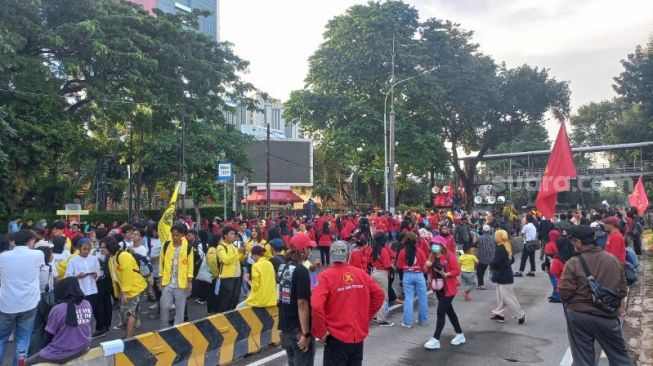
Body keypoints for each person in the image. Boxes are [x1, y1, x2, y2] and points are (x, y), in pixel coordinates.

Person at [558, 225, 631, 366]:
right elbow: (622, 290)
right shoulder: (614, 260)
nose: (572, 245)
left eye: (573, 241)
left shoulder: (573, 263)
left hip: (579, 316)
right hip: (608, 317)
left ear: (578, 242)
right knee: (619, 356)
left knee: (583, 359)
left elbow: (564, 292)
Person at [311, 241, 384, 366]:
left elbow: (316, 305)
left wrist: (321, 331)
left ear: (331, 255)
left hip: (336, 337)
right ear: (349, 255)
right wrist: (365, 317)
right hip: (357, 336)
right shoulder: (361, 274)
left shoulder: (325, 276)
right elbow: (379, 295)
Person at [0, 229, 44, 366]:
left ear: (13, 241)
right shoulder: (38, 254)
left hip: (6, 304)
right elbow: (41, 269)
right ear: (30, 241)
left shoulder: (3, 256)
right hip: (28, 304)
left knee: (1, 338)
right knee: (23, 340)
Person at [25, 277, 92, 366]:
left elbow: (48, 337)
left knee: (25, 363)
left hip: (61, 353)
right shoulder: (87, 303)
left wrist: (43, 352)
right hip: (84, 347)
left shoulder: (57, 309)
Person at [277, 233, 315, 366]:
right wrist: (305, 333)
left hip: (285, 327)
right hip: (298, 329)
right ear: (302, 250)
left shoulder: (284, 267)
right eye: (308, 248)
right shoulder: (301, 270)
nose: (310, 251)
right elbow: (302, 304)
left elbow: (281, 298)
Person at [102, 236, 146, 338]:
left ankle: (129, 337)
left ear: (110, 247)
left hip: (135, 288)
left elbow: (127, 274)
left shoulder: (123, 256)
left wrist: (124, 292)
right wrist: (119, 292)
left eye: (104, 247)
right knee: (126, 313)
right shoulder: (111, 258)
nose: (102, 249)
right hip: (126, 289)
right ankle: (130, 333)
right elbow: (115, 278)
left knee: (131, 313)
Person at [423, 242, 465, 350]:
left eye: (437, 244)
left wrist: (446, 274)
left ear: (442, 245)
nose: (434, 246)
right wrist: (427, 265)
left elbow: (457, 270)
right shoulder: (432, 256)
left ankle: (436, 339)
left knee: (440, 312)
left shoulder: (449, 256)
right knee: (450, 312)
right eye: (432, 244)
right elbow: (425, 270)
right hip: (438, 289)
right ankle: (460, 334)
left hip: (449, 289)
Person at [159, 224, 194, 327]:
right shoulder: (166, 246)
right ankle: (163, 328)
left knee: (180, 309)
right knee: (164, 306)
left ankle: (178, 329)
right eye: (173, 235)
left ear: (183, 235)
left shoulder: (188, 248)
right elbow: (161, 263)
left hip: (181, 283)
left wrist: (190, 282)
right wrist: (160, 279)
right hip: (168, 282)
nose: (175, 237)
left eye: (177, 235)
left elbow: (190, 266)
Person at [64, 239, 101, 334]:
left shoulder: (94, 259)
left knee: (91, 312)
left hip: (92, 290)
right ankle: (80, 333)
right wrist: (77, 277)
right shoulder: (73, 261)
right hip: (80, 291)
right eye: (84, 249)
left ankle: (89, 332)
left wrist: (95, 275)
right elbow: (67, 277)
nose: (86, 251)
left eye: (89, 249)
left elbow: (98, 272)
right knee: (81, 314)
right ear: (79, 249)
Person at [490, 230, 526, 324]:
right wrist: (505, 264)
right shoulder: (507, 245)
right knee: (502, 297)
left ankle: (520, 315)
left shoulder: (500, 248)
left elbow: (496, 263)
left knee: (507, 298)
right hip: (505, 275)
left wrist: (492, 264)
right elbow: (512, 260)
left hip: (503, 276)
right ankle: (500, 315)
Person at [396, 232, 428, 328]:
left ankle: (408, 322)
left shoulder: (403, 251)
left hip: (407, 275)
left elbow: (399, 266)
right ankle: (423, 320)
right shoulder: (420, 251)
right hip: (419, 275)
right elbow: (425, 265)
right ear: (415, 240)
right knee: (423, 298)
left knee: (409, 299)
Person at [215, 227, 245, 312]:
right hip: (227, 276)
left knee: (235, 297)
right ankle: (221, 315)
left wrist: (243, 254)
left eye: (234, 234)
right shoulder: (221, 246)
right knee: (225, 298)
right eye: (231, 234)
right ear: (225, 235)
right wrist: (238, 252)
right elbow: (226, 260)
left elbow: (237, 259)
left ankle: (231, 314)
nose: (234, 236)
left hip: (237, 274)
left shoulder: (233, 245)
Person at [369, 232, 394, 327]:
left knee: (375, 295)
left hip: (374, 272)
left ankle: (375, 315)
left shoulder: (373, 250)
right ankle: (381, 319)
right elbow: (387, 265)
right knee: (383, 296)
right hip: (382, 273)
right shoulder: (383, 251)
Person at [475, 225, 495, 290]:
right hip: (491, 257)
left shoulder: (480, 238)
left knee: (479, 271)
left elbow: (474, 244)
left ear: (483, 231)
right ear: (489, 231)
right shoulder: (493, 238)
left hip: (482, 258)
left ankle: (481, 285)